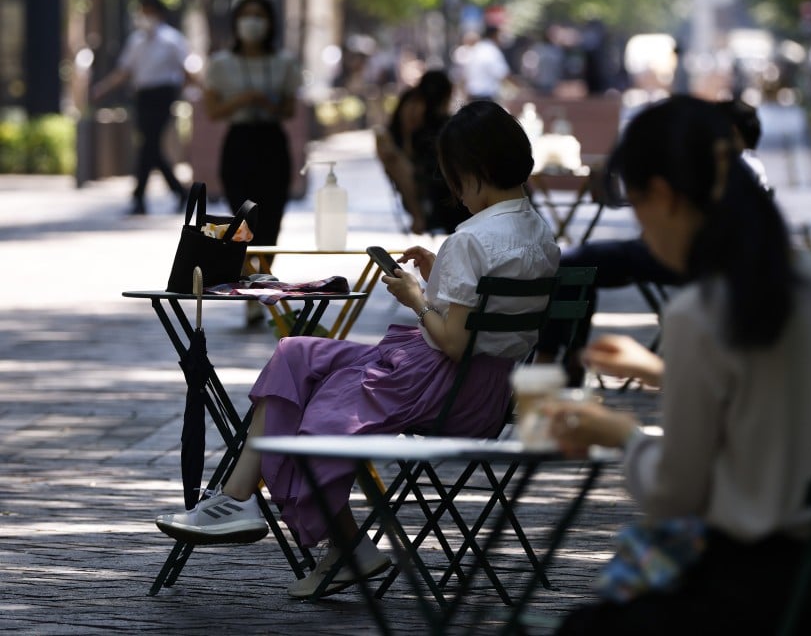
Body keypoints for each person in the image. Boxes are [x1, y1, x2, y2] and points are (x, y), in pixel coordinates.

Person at [153, 100, 560, 599]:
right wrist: (440, 277)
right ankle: (240, 499)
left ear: (472, 173)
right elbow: (484, 320)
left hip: (445, 384)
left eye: (454, 180)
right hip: (492, 391)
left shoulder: (470, 239)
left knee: (324, 410)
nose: (455, 195)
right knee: (297, 352)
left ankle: (334, 539)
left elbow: (454, 342)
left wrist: (415, 297)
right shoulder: (540, 234)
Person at [542, 95, 811, 634]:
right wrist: (664, 373)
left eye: (636, 206)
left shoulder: (700, 311)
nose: (643, 230)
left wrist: (622, 434)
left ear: (663, 196)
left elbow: (676, 491)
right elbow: (769, 396)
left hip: (755, 594)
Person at [533, 97, 767, 384]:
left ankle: (554, 359)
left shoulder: (695, 316)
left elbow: (704, 424)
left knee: (577, 264)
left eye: (638, 203)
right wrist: (654, 373)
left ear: (663, 197)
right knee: (582, 265)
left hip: (695, 264)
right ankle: (568, 358)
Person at [203, 0, 302, 251]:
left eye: (260, 16)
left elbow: (289, 109)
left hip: (272, 142)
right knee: (241, 219)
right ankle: (245, 278)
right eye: (247, 15)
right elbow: (212, 111)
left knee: (271, 218)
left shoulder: (284, 62)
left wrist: (268, 104)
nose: (253, 22)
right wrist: (244, 100)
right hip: (239, 142)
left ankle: (264, 279)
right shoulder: (221, 64)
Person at [92, 0, 193, 215]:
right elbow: (124, 71)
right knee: (150, 147)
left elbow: (188, 70)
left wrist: (192, 92)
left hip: (164, 95)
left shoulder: (172, 39)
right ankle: (178, 192)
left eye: (149, 11)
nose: (145, 16)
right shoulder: (136, 41)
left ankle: (140, 197)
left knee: (149, 145)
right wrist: (103, 88)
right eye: (142, 11)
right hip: (143, 97)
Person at [375, 69, 469, 234]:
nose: (414, 112)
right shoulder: (443, 127)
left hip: (442, 196)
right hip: (442, 198)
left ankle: (420, 218)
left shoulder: (437, 126)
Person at [461, 26, 510, 102]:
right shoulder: (492, 51)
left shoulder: (476, 49)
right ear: (495, 35)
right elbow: (502, 73)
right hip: (486, 96)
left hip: (472, 95)